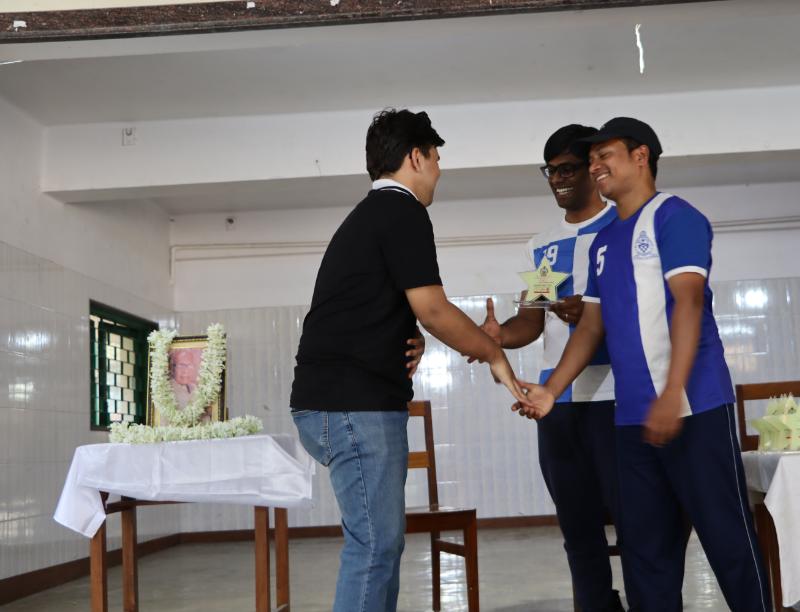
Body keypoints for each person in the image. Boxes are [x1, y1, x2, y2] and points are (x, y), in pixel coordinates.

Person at [515, 117, 771, 611]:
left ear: (641, 157)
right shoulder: (605, 242)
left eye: (604, 155)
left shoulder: (676, 217)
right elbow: (591, 326)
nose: (595, 166)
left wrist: (672, 392)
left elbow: (689, 303)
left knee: (727, 540)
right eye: (591, 159)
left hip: (695, 408)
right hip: (632, 420)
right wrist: (551, 390)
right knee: (646, 554)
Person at [289, 108, 526, 612]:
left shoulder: (373, 215)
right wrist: (493, 354)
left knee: (381, 546)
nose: (439, 169)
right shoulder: (401, 210)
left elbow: (380, 305)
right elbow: (434, 309)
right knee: (374, 548)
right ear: (415, 157)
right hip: (353, 406)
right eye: (435, 157)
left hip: (342, 402)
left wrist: (406, 333)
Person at [474, 124, 624, 611]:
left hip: (616, 397)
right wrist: (499, 336)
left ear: (593, 170)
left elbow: (640, 309)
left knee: (636, 522)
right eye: (551, 171)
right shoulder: (544, 246)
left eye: (567, 169)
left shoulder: (622, 226)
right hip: (556, 404)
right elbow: (532, 321)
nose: (558, 179)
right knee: (577, 527)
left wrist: (595, 314)